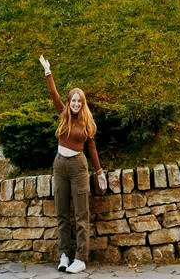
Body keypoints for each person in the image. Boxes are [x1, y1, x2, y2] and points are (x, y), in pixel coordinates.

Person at [39, 54, 107, 274]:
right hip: (59, 166)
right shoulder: (63, 115)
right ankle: (65, 255)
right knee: (62, 213)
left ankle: (80, 257)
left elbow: (92, 149)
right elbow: (53, 94)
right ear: (69, 103)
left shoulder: (87, 124)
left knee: (81, 215)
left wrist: (100, 172)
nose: (76, 104)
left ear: (83, 103)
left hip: (78, 167)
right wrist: (48, 72)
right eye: (73, 101)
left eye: (79, 101)